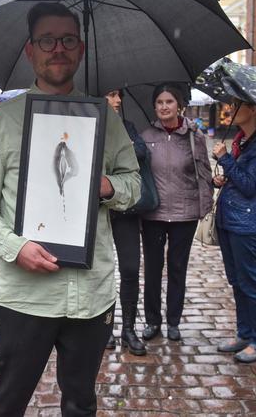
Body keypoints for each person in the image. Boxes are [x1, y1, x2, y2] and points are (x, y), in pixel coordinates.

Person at [0, 3, 140, 415]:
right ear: (30, 51)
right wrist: (13, 245)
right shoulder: (2, 121)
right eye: (47, 40)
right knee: (8, 403)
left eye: (68, 40)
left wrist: (108, 185)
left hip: (89, 292)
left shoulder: (105, 121)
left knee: (81, 403)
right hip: (24, 296)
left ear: (80, 49)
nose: (57, 48)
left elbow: (135, 183)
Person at [139, 84, 213, 342]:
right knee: (152, 269)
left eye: (169, 101)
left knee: (177, 268)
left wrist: (206, 206)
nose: (164, 106)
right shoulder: (146, 135)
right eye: (159, 102)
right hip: (154, 215)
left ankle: (173, 321)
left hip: (185, 214)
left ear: (179, 105)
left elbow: (204, 173)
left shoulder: (194, 136)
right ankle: (152, 321)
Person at [212, 98, 256, 363]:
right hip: (230, 220)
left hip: (248, 224)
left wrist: (225, 159)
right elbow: (240, 179)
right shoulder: (243, 140)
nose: (231, 109)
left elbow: (252, 185)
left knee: (250, 283)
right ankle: (245, 333)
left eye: (238, 105)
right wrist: (224, 177)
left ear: (254, 110)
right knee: (237, 281)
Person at [104, 89, 146, 356]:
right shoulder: (89, 124)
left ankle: (128, 329)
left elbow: (142, 151)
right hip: (100, 213)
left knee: (130, 269)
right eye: (111, 95)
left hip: (127, 212)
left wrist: (125, 147)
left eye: (119, 95)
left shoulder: (127, 126)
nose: (118, 101)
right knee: (103, 271)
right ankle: (104, 328)